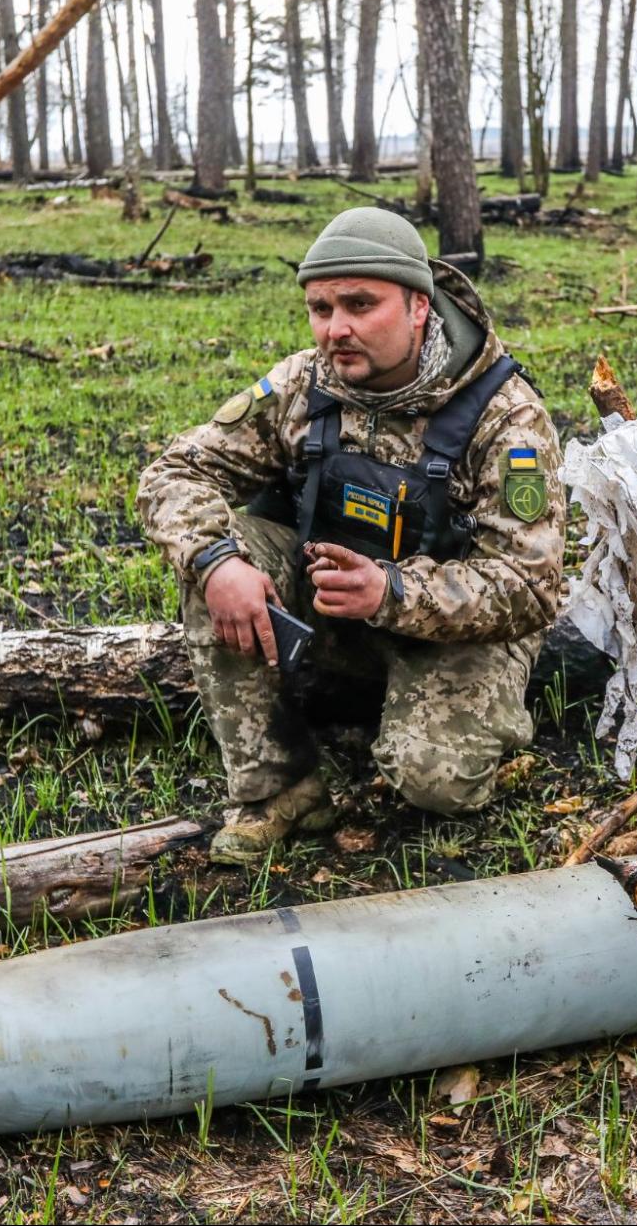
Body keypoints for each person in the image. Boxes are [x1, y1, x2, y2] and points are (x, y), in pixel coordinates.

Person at [137, 207, 566, 865]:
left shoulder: (503, 416)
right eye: (321, 307)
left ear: (418, 306)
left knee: (435, 781)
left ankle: (495, 738)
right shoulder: (302, 384)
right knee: (218, 558)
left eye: (360, 304)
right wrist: (217, 561)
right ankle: (280, 786)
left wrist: (389, 590)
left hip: (457, 632)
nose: (336, 328)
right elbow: (173, 472)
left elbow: (528, 587)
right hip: (331, 602)